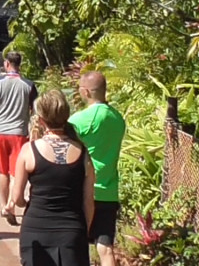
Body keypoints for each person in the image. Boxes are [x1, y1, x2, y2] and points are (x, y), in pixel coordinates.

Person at [6, 90, 95, 266]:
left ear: (40, 120)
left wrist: (27, 203)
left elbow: (16, 198)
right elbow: (88, 202)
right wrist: (84, 228)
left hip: (36, 229)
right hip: (71, 231)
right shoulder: (83, 153)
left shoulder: (29, 150)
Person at [69, 71, 126, 266]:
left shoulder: (79, 120)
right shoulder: (117, 118)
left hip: (84, 190)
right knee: (105, 245)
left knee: (76, 243)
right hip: (109, 191)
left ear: (85, 92)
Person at [0, 52, 37, 225]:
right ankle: (11, 205)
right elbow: (36, 110)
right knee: (16, 172)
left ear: (6, 64)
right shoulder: (28, 85)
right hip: (19, 132)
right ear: (20, 64)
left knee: (3, 170)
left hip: (0, 132)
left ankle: (5, 204)